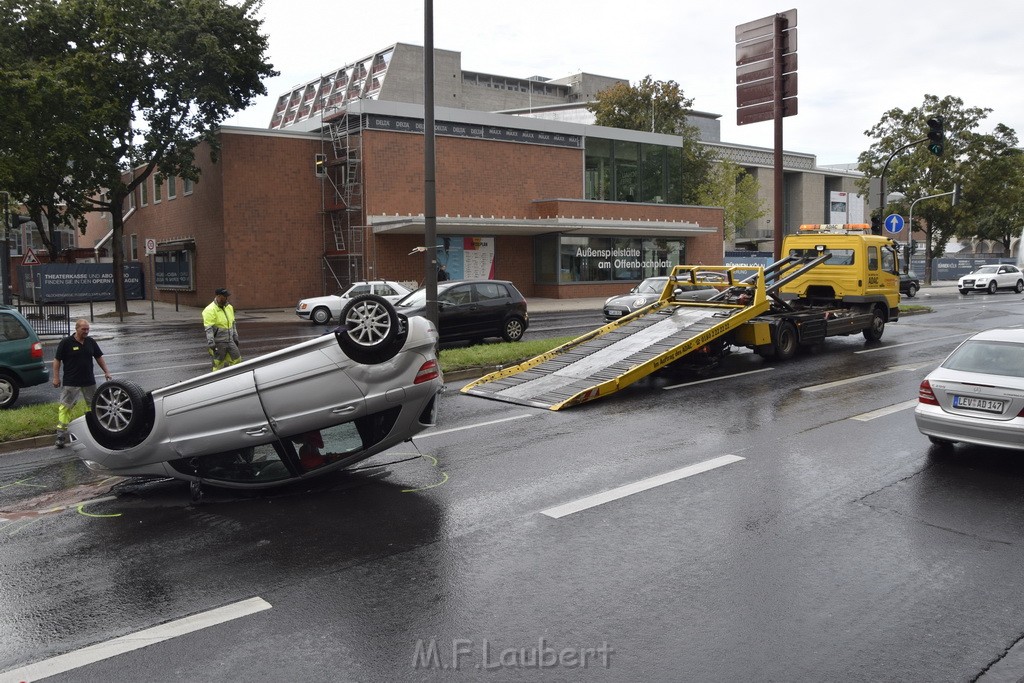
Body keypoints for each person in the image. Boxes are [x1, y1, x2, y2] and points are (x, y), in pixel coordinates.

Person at [53, 318, 112, 448]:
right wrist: (56, 378)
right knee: (65, 407)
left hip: (88, 381)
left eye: (87, 329)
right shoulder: (66, 343)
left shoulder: (90, 342)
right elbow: (57, 361)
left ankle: (94, 432)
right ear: (76, 329)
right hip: (71, 382)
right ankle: (61, 436)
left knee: (93, 407)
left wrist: (107, 372)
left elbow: (99, 357)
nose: (86, 331)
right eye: (83, 329)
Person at [203, 287, 241, 371]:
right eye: (225, 296)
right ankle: (216, 381)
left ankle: (232, 378)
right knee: (218, 364)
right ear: (218, 296)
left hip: (230, 340)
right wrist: (211, 343)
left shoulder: (229, 307)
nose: (227, 298)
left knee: (237, 359)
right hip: (218, 342)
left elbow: (233, 323)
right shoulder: (209, 310)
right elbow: (208, 328)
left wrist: (235, 336)